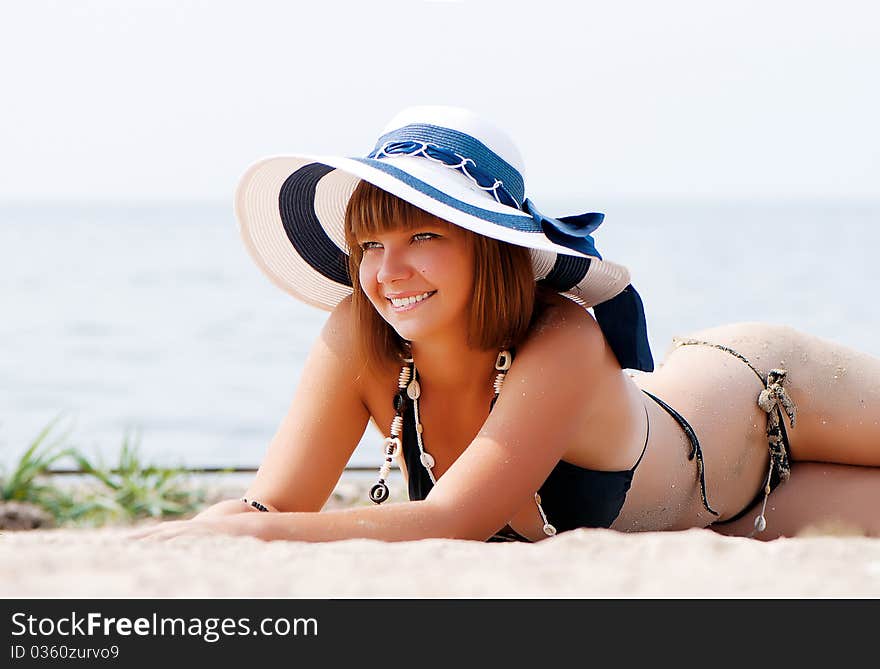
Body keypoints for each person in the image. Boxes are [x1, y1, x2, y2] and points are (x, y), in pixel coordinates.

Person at [135, 106, 880, 543]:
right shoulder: (355, 336)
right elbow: (277, 504)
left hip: (761, 394)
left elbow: (456, 517)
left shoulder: (563, 338)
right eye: (371, 245)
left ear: (488, 246)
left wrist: (252, 532)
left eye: (424, 237)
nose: (388, 271)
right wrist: (204, 529)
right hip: (736, 517)